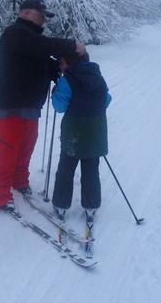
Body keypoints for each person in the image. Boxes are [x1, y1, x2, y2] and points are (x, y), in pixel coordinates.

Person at [0, 0, 86, 210]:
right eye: (42, 16)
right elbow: (41, 46)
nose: (44, 21)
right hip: (7, 105)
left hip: (30, 105)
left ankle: (19, 180)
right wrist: (72, 46)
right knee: (5, 149)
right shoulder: (14, 34)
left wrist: (57, 69)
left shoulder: (32, 41)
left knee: (26, 145)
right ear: (27, 13)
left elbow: (40, 58)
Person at [50, 51, 111, 223]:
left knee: (66, 168)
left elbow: (59, 106)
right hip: (95, 133)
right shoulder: (98, 77)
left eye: (62, 63)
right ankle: (91, 207)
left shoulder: (66, 80)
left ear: (71, 62)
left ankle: (61, 205)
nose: (61, 67)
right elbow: (106, 100)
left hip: (74, 134)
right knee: (91, 169)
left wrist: (56, 91)